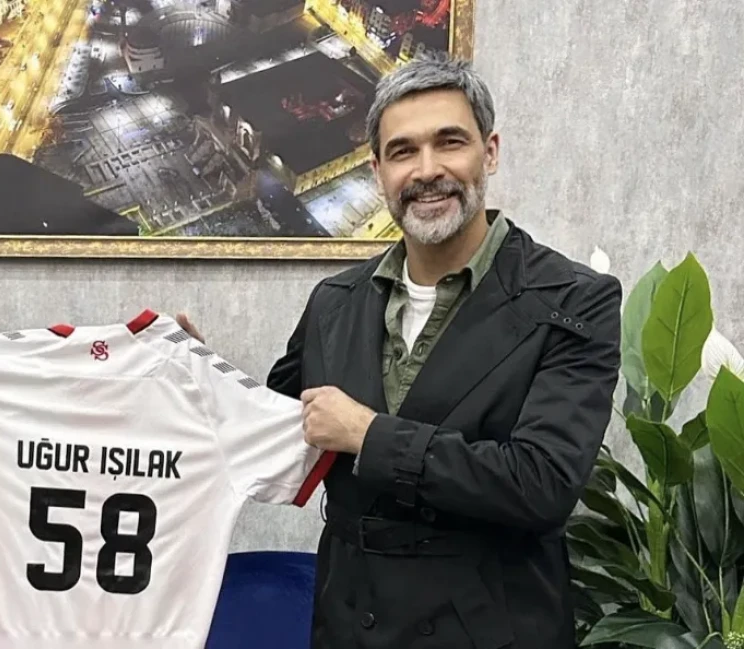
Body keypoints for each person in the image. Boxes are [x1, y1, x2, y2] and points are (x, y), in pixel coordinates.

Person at [257, 55, 621, 647]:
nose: (427, 170)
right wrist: (189, 366)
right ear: (378, 172)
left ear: (489, 152)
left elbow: (543, 484)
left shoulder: (573, 299)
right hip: (349, 625)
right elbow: (270, 431)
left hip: (491, 630)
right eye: (403, 151)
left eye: (449, 142)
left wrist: (370, 435)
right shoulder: (334, 301)